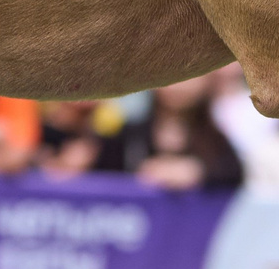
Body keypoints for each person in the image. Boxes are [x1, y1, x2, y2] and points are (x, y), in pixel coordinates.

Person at [104, 73, 245, 192]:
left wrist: (196, 171)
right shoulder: (131, 134)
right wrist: (144, 172)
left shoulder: (214, 138)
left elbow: (235, 173)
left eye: (192, 74)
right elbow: (105, 171)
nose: (180, 84)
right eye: (172, 74)